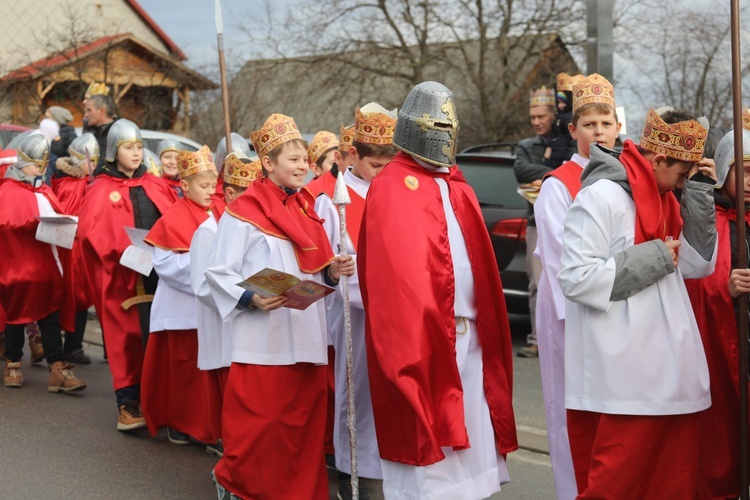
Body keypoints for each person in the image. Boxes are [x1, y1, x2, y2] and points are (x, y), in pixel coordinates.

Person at [359, 81, 517, 499]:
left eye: (449, 124)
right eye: (435, 122)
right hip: (425, 344)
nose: (442, 132)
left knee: (473, 456)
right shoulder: (391, 187)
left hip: (471, 340)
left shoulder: (457, 186)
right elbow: (394, 282)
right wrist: (413, 345)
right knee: (428, 469)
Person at [557, 107, 717, 498]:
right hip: (621, 385)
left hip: (671, 379)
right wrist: (655, 257)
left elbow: (696, 265)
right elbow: (576, 278)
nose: (682, 182)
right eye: (682, 173)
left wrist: (696, 193)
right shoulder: (601, 197)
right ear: (659, 159)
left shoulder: (665, 198)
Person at [206, 113, 354, 499]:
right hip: (262, 337)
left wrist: (333, 273)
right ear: (268, 164)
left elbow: (313, 270)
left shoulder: (306, 210)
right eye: (293, 159)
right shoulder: (243, 212)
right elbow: (218, 272)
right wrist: (250, 297)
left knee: (300, 429)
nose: (303, 165)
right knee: (258, 425)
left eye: (305, 158)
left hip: (306, 336)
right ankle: (238, 486)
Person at [533, 73, 619, 500]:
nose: (598, 131)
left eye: (605, 123)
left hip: (617, 311)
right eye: (589, 124)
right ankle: (573, 491)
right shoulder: (558, 186)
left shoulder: (628, 179)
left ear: (618, 126)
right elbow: (556, 258)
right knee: (571, 410)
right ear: (573, 130)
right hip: (572, 314)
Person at [315, 102, 397, 499]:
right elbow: (327, 263)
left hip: (396, 315)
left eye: (388, 164)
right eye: (376, 166)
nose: (383, 173)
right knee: (358, 395)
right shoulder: (333, 202)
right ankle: (356, 477)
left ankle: (392, 471)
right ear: (352, 155)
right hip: (357, 315)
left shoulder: (396, 194)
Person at [78, 119, 177, 431]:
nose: (136, 154)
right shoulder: (100, 190)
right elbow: (92, 234)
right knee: (125, 339)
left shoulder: (156, 184)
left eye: (138, 147)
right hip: (120, 276)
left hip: (158, 274)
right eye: (128, 148)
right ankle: (128, 404)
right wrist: (125, 252)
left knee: (157, 338)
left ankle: (160, 403)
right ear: (113, 151)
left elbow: (173, 223)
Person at [685, 129, 750, 499]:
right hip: (723, 353)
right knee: (724, 440)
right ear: (723, 171)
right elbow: (693, 283)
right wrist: (724, 289)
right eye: (742, 171)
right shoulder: (709, 220)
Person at [141, 145, 219, 448]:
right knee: (183, 373)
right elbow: (165, 265)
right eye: (204, 185)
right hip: (181, 308)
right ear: (184, 186)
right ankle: (177, 423)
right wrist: (206, 272)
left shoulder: (220, 211)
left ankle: (204, 425)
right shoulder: (173, 217)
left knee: (204, 373)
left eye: (213, 185)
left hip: (210, 307)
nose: (211, 191)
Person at [189, 151, 262, 456]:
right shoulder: (208, 230)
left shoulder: (254, 224)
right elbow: (202, 285)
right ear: (230, 193)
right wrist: (244, 296)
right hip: (225, 325)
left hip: (252, 321)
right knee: (230, 402)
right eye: (248, 193)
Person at [0, 133, 86, 392]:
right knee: (16, 316)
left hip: (47, 267)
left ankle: (57, 368)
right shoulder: (7, 191)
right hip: (17, 267)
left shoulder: (45, 191)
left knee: (51, 316)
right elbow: (5, 222)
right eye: (33, 164)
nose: (38, 169)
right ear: (19, 163)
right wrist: (30, 223)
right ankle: (13, 363)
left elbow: (56, 217)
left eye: (42, 164)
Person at [513, 85, 556, 358]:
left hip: (567, 221)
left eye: (541, 116)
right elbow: (520, 170)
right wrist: (556, 170)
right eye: (533, 117)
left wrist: (545, 176)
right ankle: (537, 339)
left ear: (554, 115)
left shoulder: (570, 142)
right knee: (537, 283)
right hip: (536, 224)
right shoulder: (526, 146)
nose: (536, 122)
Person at [52, 133, 100, 365]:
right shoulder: (68, 184)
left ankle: (73, 346)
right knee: (66, 294)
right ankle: (57, 346)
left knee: (81, 296)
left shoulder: (93, 185)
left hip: (83, 249)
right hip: (68, 247)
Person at [306, 123, 354, 197]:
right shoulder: (310, 192)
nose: (338, 164)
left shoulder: (350, 181)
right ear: (315, 169)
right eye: (333, 163)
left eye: (339, 159)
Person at [84, 94, 117, 170]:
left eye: (89, 110)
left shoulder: (119, 134)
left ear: (101, 111)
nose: (86, 115)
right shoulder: (92, 134)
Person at [46, 106, 78, 184]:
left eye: (47, 118)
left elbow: (71, 153)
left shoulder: (69, 133)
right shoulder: (46, 132)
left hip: (59, 169)